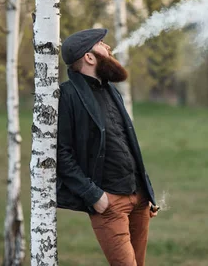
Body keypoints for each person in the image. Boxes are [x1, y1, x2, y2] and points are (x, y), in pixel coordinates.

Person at [56, 28, 159, 266]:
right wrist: (94, 196)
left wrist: (147, 191)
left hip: (140, 200)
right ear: (90, 57)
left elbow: (127, 143)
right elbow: (61, 154)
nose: (109, 48)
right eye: (102, 44)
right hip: (109, 204)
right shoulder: (67, 95)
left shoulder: (112, 91)